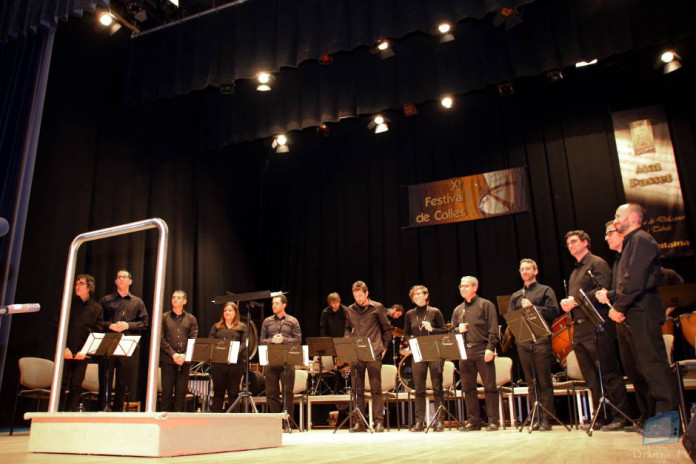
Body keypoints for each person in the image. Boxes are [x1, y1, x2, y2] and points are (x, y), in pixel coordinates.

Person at [599, 203, 677, 416]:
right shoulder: (630, 244)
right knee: (642, 368)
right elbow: (626, 281)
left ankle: (665, 421)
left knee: (653, 366)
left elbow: (635, 280)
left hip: (642, 311)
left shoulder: (642, 240)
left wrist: (618, 306)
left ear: (632, 217)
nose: (614, 221)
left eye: (617, 216)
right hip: (633, 312)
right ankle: (653, 417)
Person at [560, 230, 630, 431]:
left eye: (574, 242)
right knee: (590, 377)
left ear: (585, 242)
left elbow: (603, 289)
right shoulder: (575, 272)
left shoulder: (596, 263)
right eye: (568, 244)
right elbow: (576, 299)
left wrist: (576, 300)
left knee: (608, 372)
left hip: (597, 325)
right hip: (580, 328)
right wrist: (567, 304)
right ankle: (602, 415)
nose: (571, 246)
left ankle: (620, 415)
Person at [597, 220, 652, 430]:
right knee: (633, 371)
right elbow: (621, 290)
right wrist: (611, 298)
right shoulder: (618, 261)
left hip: (636, 318)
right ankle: (645, 416)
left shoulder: (635, 251)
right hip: (621, 320)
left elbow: (635, 285)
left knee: (645, 370)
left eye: (609, 233)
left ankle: (657, 418)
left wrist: (612, 300)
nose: (606, 237)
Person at [507, 259, 559, 431]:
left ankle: (547, 418)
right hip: (523, 341)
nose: (525, 271)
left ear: (535, 271)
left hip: (541, 340)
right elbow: (511, 319)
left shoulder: (545, 290)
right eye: (522, 269)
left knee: (544, 380)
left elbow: (554, 312)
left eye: (528, 268)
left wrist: (534, 308)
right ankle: (536, 417)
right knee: (531, 381)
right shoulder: (516, 295)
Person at [451, 276, 499, 431]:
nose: (462, 289)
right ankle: (474, 421)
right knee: (468, 388)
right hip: (465, 351)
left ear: (474, 288)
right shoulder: (458, 309)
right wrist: (459, 329)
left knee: (489, 386)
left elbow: (493, 329)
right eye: (461, 286)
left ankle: (493, 421)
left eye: (465, 286)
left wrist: (490, 348)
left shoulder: (486, 305)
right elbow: (451, 331)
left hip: (482, 348)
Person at [344, 280, 391, 433]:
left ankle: (378, 422)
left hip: (374, 352)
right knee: (357, 390)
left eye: (360, 296)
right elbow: (347, 328)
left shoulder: (377, 308)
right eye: (355, 296)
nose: (358, 299)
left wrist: (384, 347)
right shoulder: (350, 310)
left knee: (376, 389)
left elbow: (386, 329)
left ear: (366, 294)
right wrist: (346, 341)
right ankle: (359, 422)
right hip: (356, 354)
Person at [99, 269, 149, 411]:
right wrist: (110, 325)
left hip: (127, 344)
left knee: (123, 380)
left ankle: (118, 410)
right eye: (119, 277)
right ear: (115, 281)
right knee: (105, 378)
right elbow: (98, 321)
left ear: (130, 281)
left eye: (124, 277)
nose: (121, 279)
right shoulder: (105, 300)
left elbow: (144, 323)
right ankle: (103, 408)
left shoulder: (137, 302)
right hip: (108, 342)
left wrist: (128, 325)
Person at [403, 285, 447, 432]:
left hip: (434, 351)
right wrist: (411, 342)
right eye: (414, 295)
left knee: (437, 387)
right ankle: (419, 422)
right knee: (419, 389)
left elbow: (444, 331)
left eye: (419, 294)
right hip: (418, 352)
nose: (417, 296)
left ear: (426, 295)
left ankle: (439, 421)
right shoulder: (410, 314)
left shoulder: (434, 311)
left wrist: (432, 329)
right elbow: (406, 332)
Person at [61, 274, 104, 411]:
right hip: (65, 350)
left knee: (76, 385)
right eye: (77, 283)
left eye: (81, 283)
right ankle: (56, 413)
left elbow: (97, 331)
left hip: (82, 352)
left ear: (89, 287)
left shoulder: (96, 308)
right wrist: (64, 348)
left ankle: (69, 415)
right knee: (61, 384)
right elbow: (59, 326)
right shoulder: (68, 303)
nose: (77, 286)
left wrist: (85, 350)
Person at [260, 294, 302, 429]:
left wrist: (283, 340)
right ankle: (275, 422)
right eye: (273, 303)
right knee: (271, 393)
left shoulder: (292, 321)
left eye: (277, 303)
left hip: (287, 361)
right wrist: (271, 340)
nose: (274, 306)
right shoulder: (267, 321)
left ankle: (287, 422)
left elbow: (298, 340)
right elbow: (261, 340)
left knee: (287, 393)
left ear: (284, 305)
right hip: (271, 360)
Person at [159, 290, 198, 412]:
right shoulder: (164, 317)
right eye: (173, 297)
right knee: (167, 392)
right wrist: (174, 354)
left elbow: (193, 338)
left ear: (184, 301)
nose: (175, 299)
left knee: (181, 393)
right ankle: (164, 419)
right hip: (168, 360)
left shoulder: (191, 319)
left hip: (184, 361)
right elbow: (160, 338)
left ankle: (179, 419)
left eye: (178, 298)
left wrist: (185, 355)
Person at [209, 302, 247, 412]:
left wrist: (234, 352)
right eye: (225, 310)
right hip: (218, 364)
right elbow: (211, 342)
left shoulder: (242, 327)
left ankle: (234, 420)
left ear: (235, 313)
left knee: (233, 392)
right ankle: (217, 419)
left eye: (230, 310)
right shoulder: (216, 327)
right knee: (218, 392)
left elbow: (245, 343)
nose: (227, 312)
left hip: (235, 364)